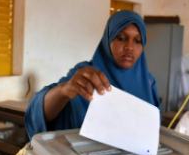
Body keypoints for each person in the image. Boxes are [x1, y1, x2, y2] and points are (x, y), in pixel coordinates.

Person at [24, 10, 160, 139]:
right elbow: (38, 113)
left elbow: (153, 130)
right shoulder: (85, 76)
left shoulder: (148, 82)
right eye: (122, 38)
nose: (130, 47)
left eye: (137, 41)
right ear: (108, 40)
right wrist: (63, 90)